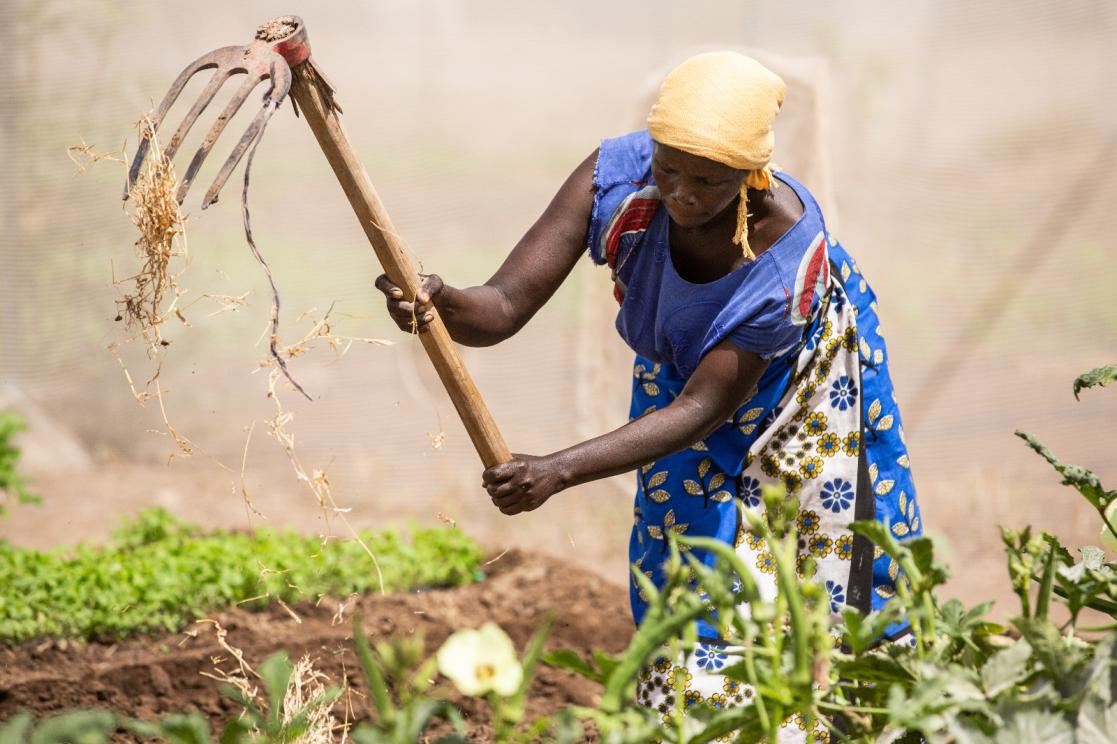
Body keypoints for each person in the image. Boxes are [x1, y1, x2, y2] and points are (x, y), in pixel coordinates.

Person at [375, 51, 922, 733]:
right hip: (682, 372)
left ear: (750, 175)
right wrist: (441, 302)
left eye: (708, 180)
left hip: (808, 388)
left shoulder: (783, 257)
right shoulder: (614, 177)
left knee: (833, 570)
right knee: (691, 568)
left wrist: (556, 469)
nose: (681, 193)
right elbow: (503, 307)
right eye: (668, 169)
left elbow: (700, 412)